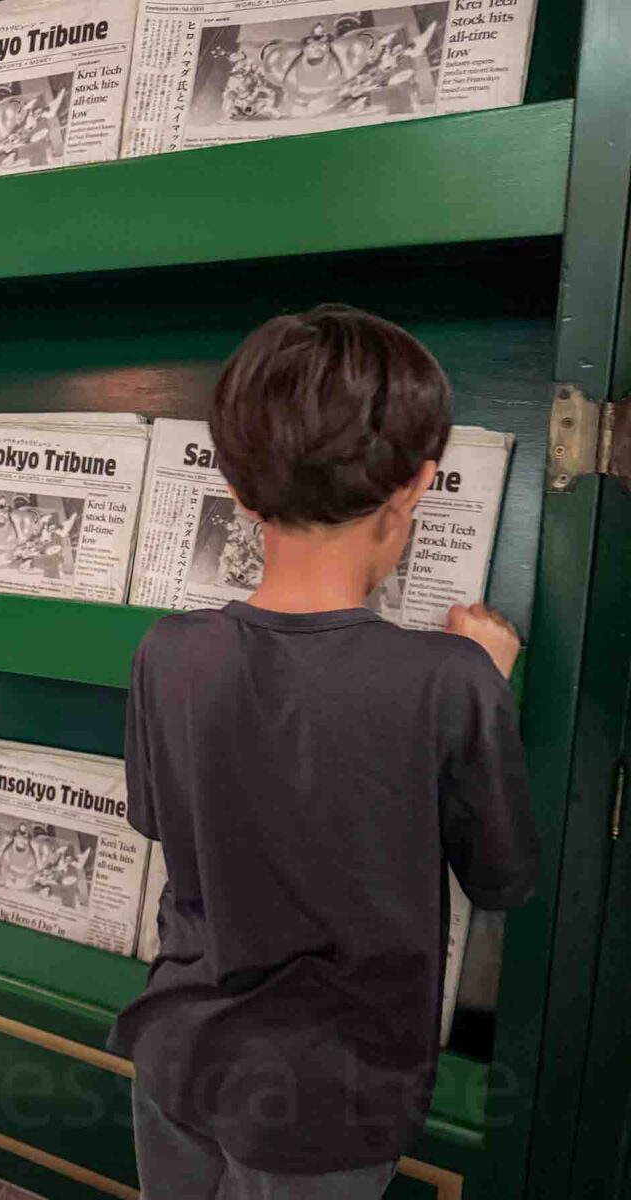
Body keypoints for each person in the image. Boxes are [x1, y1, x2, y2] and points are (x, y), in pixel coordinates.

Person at [108, 304, 539, 1199]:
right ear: (417, 486)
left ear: (234, 488)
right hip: (326, 1102)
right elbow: (502, 877)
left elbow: (156, 818)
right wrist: (486, 681)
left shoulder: (167, 650)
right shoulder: (449, 680)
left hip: (177, 1050)